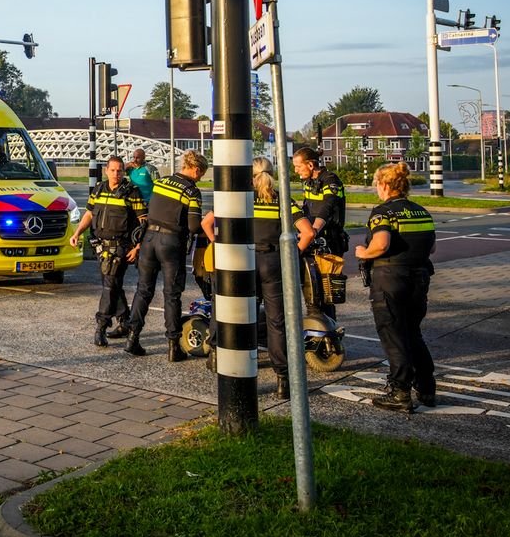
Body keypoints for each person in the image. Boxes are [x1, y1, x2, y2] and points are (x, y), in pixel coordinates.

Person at [203, 157, 314, 398]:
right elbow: (308, 232)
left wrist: (221, 245)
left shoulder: (239, 197)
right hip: (274, 263)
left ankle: (238, 364)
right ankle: (283, 378)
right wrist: (292, 254)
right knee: (277, 321)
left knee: (241, 315)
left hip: (245, 261)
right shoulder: (283, 201)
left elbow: (206, 223)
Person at [355, 162, 437, 412]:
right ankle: (426, 387)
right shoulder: (421, 211)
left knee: (393, 335)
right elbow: (431, 248)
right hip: (419, 278)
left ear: (385, 185)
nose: (377, 190)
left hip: (390, 279)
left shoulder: (383, 212)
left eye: (377, 185)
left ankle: (400, 392)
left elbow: (381, 243)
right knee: (413, 333)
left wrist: (364, 252)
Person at [124, 150, 208, 360]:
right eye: (202, 174)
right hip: (171, 243)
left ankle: (132, 339)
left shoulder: (161, 182)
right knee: (171, 295)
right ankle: (173, 346)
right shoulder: (191, 191)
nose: (201, 178)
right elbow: (193, 226)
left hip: (149, 239)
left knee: (143, 290)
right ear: (196, 170)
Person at [69, 156, 147, 347]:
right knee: (113, 285)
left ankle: (101, 326)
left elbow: (144, 221)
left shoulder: (132, 192)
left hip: (120, 247)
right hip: (100, 246)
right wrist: (77, 233)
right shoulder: (98, 189)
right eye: (113, 170)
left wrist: (138, 247)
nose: (116, 174)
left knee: (109, 285)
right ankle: (125, 322)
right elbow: (89, 213)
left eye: (120, 170)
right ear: (106, 170)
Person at [292, 146, 347, 318]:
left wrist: (313, 230)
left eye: (298, 166)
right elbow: (307, 209)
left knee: (326, 293)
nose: (296, 170)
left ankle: (329, 330)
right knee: (311, 291)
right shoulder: (309, 182)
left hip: (329, 243)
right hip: (312, 242)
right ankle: (316, 325)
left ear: (310, 165)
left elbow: (327, 208)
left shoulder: (331, 180)